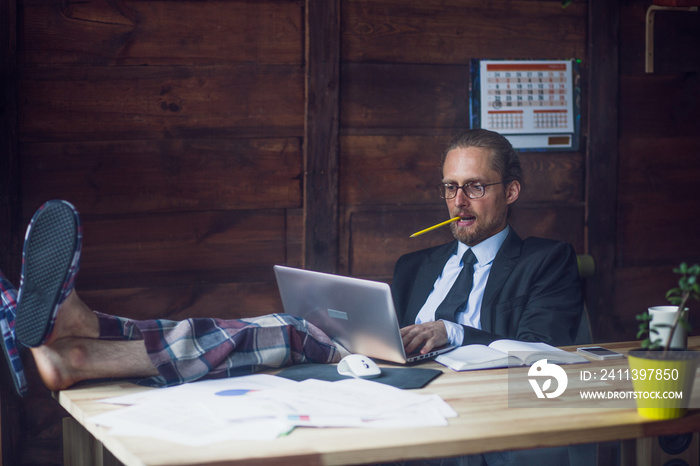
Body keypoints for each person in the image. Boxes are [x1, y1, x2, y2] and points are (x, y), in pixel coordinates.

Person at [1, 129, 582, 399]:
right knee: (272, 331)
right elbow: (383, 335)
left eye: (475, 187)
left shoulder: (547, 261)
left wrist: (450, 330)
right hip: (382, 371)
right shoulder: (416, 264)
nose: (459, 200)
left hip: (452, 382)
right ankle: (85, 337)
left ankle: (83, 340)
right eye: (450, 187)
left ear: (510, 192)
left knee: (289, 334)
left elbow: (545, 347)